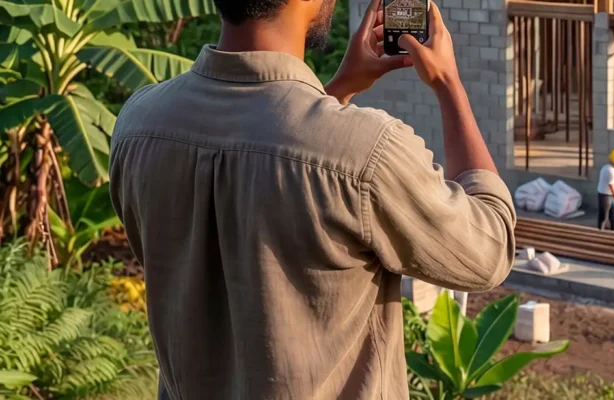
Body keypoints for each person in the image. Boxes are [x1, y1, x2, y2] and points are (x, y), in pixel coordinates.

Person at [108, 0, 517, 398]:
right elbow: (489, 250)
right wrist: (448, 85)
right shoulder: (366, 151)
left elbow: (264, 161)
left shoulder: (138, 124)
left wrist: (336, 92)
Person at [597, 149, 614, 230]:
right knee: (604, 217)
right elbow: (611, 186)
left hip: (611, 195)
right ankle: (600, 232)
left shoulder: (608, 168)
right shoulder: (610, 171)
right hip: (605, 196)